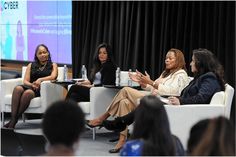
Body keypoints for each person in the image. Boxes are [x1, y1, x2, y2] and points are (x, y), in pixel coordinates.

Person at [102, 48, 225, 140]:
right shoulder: (198, 77)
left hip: (183, 109)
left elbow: (201, 97)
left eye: (193, 61)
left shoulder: (209, 77)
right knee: (131, 101)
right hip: (178, 105)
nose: (191, 63)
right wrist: (146, 84)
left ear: (201, 63)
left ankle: (119, 123)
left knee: (142, 101)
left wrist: (181, 101)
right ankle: (122, 126)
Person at [88, 48, 189, 153]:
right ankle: (122, 139)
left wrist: (150, 82)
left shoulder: (181, 74)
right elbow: (154, 88)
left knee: (125, 90)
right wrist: (144, 84)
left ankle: (102, 118)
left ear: (178, 60)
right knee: (124, 102)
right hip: (152, 96)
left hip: (160, 101)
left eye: (170, 58)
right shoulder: (165, 73)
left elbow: (174, 91)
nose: (166, 60)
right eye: (166, 58)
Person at [4, 44, 58, 129]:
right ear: (36, 55)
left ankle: (14, 120)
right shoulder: (31, 65)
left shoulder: (53, 65)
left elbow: (53, 77)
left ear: (48, 53)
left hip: (42, 89)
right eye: (40, 53)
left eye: (44, 52)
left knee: (27, 93)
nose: (43, 54)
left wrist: (40, 80)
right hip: (31, 86)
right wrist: (32, 84)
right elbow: (25, 81)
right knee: (18, 88)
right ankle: (13, 118)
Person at [120, 95, 185, 156]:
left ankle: (119, 122)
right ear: (163, 117)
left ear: (139, 117)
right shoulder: (175, 142)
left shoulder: (131, 146)